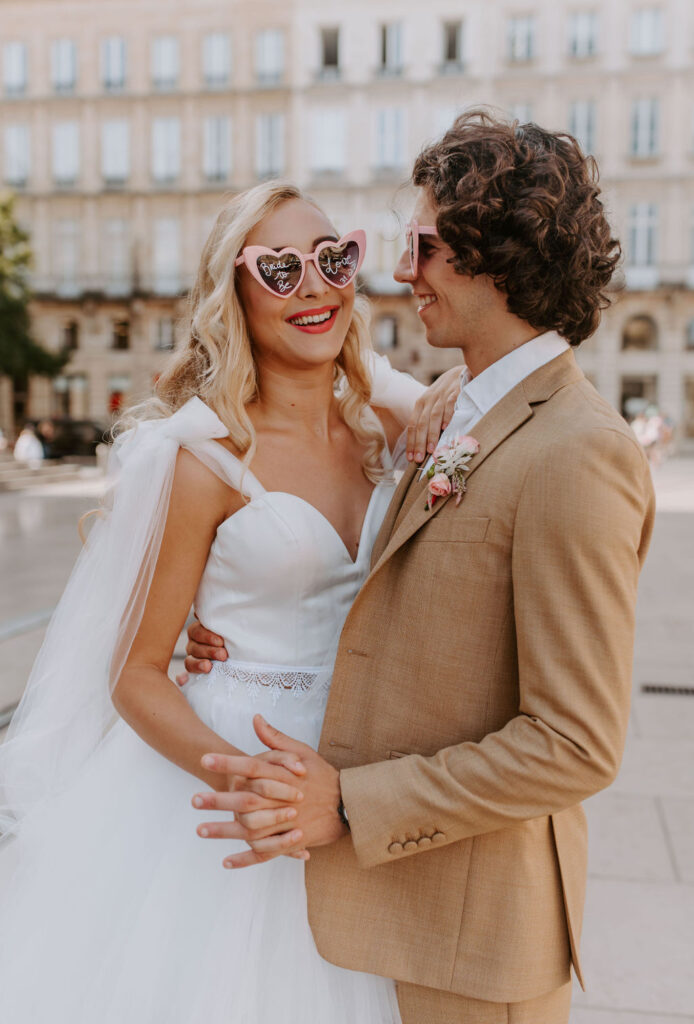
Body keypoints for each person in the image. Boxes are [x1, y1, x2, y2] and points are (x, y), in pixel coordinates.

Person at [183, 112, 656, 1024]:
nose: (401, 274)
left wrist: (352, 805)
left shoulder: (577, 451)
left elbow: (575, 744)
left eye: (426, 247)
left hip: (476, 945)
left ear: (496, 256)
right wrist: (208, 623)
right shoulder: (467, 408)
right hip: (395, 918)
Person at [0, 181, 461, 1023]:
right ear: (235, 293)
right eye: (279, 269)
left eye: (334, 258)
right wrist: (246, 780)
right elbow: (136, 675)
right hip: (229, 781)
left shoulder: (385, 428)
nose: (315, 286)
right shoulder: (204, 459)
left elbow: (494, 392)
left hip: (360, 779)